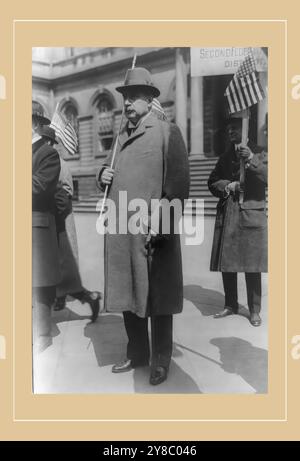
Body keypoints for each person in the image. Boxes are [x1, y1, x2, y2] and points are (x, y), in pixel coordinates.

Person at [97, 67, 189, 385]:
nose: (127, 103)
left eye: (134, 96)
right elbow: (113, 175)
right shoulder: (120, 136)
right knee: (128, 295)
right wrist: (101, 176)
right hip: (122, 233)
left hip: (154, 236)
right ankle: (137, 353)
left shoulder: (167, 132)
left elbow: (178, 188)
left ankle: (161, 359)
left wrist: (160, 227)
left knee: (157, 300)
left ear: (150, 99)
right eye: (125, 97)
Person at [208, 116, 268, 327]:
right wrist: (229, 185)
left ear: (245, 130)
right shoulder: (225, 157)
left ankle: (254, 310)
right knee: (228, 263)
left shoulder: (261, 151)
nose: (230, 131)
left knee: (252, 265)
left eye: (235, 128)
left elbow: (269, 177)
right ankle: (230, 304)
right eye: (228, 129)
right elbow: (212, 181)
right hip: (229, 215)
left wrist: (251, 158)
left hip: (251, 213)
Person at [39, 126, 102, 322]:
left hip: (57, 226)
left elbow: (63, 198)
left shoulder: (59, 164)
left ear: (48, 143)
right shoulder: (43, 161)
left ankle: (90, 298)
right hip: (45, 228)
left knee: (63, 278)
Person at [32, 102, 61, 353]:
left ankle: (43, 333)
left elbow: (39, 187)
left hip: (36, 226)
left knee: (38, 283)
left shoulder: (47, 153)